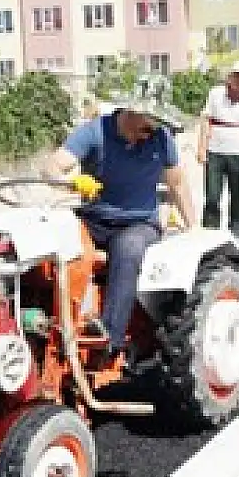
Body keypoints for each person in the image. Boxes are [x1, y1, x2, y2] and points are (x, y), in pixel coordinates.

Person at [43, 91, 197, 364]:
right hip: (94, 219)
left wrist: (193, 229)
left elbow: (177, 184)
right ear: (131, 113)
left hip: (139, 222)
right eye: (146, 128)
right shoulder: (94, 133)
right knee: (55, 244)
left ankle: (109, 339)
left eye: (155, 129)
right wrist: (71, 182)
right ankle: (50, 328)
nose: (149, 135)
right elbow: (52, 166)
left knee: (129, 248)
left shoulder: (161, 140)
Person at [196, 60, 239, 238]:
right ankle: (210, 232)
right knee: (212, 195)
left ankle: (236, 231)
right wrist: (202, 148)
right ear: (229, 78)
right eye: (237, 77)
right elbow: (206, 120)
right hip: (215, 151)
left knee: (238, 196)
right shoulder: (215, 94)